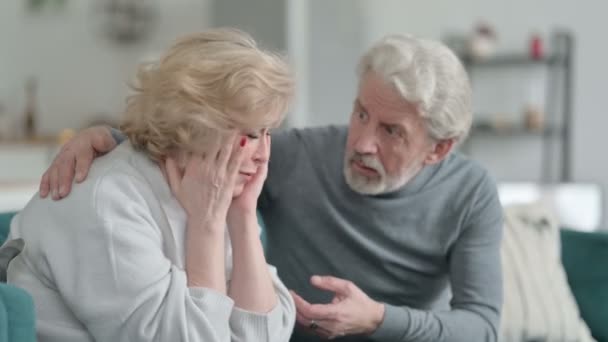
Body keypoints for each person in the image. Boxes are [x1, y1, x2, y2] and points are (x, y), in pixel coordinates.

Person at [38, 33, 504, 342]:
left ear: (437, 150)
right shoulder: (303, 153)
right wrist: (105, 138)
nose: (360, 142)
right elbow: (196, 139)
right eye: (361, 113)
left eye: (391, 131)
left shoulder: (471, 192)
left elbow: (482, 326)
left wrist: (378, 319)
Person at [2, 28, 296, 342]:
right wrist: (206, 227)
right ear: (195, 126)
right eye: (251, 135)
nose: (264, 155)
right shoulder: (110, 204)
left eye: (268, 133)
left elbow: (266, 334)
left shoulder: (208, 187)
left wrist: (243, 216)